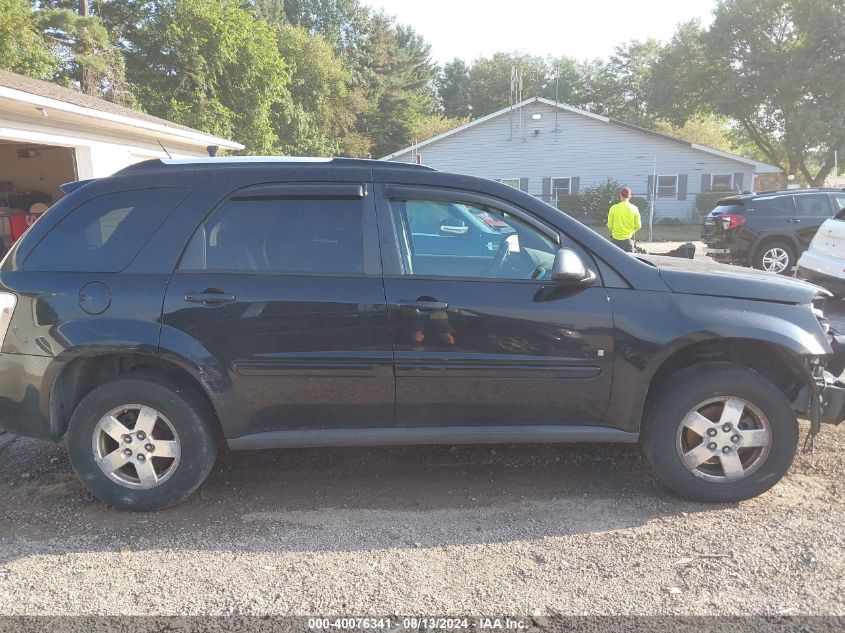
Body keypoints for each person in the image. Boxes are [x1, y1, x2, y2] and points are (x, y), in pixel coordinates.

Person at [606, 186, 641, 252]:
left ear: (620, 195)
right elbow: (638, 225)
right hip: (628, 242)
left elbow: (610, 225)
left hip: (615, 242)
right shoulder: (634, 208)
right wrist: (631, 231)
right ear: (630, 196)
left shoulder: (613, 208)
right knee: (629, 261)